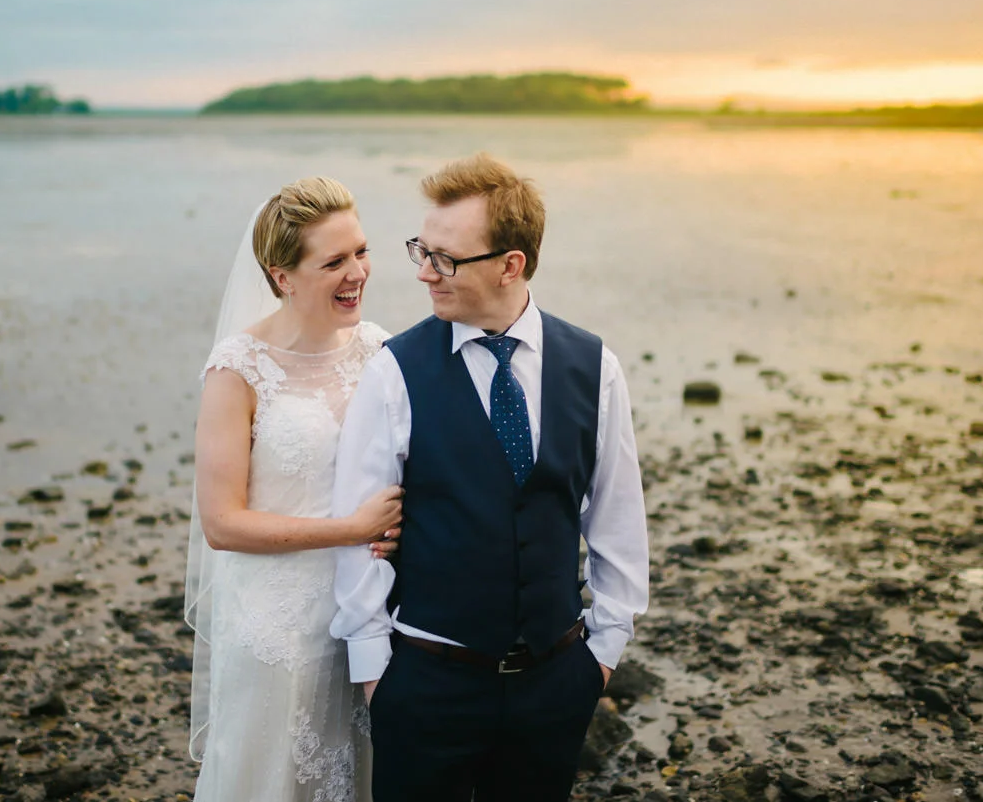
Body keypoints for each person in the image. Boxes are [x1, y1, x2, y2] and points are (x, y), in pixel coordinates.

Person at [331, 154, 650, 801]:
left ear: (512, 264)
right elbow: (357, 526)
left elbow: (616, 518)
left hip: (555, 685)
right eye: (422, 249)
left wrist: (602, 651)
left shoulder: (594, 366)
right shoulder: (395, 371)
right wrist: (375, 672)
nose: (423, 271)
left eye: (446, 257)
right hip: (425, 684)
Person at [186, 176, 402, 802]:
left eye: (360, 251)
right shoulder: (238, 370)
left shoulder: (379, 349)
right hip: (277, 634)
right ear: (282, 276)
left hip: (368, 618)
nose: (357, 272)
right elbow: (223, 524)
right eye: (333, 261)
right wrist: (351, 530)